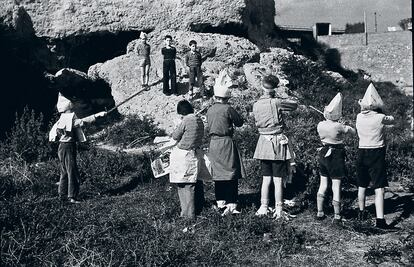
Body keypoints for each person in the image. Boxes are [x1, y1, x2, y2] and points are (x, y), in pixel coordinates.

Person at [252, 75, 298, 219]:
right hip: (276, 142)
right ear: (274, 88)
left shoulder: (256, 104)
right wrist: (280, 95)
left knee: (266, 178)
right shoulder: (277, 102)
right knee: (278, 179)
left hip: (263, 142)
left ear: (262, 87)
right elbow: (294, 105)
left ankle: (263, 206)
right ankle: (279, 208)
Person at [49, 93, 106, 203]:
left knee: (65, 171)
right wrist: (98, 115)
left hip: (62, 147)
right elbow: (82, 122)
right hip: (68, 147)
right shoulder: (67, 118)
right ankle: (72, 197)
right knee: (72, 171)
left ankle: (62, 194)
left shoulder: (62, 118)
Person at [356, 83, 395, 229]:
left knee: (362, 185)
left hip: (362, 151)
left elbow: (363, 111)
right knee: (379, 187)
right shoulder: (381, 117)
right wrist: (382, 109)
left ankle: (361, 213)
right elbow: (392, 120)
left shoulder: (358, 117)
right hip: (376, 153)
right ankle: (380, 220)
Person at [206, 69, 244, 216]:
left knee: (218, 174)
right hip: (226, 142)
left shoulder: (210, 110)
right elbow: (239, 122)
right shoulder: (228, 108)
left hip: (214, 143)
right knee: (231, 173)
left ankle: (220, 202)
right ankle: (232, 203)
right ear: (226, 97)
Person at [315, 93, 356, 223]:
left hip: (323, 152)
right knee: (336, 185)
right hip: (336, 155)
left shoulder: (320, 124)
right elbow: (353, 131)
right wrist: (344, 124)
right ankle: (337, 215)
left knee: (323, 183)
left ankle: (320, 212)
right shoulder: (339, 126)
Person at [169, 100, 207, 219]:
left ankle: (188, 214)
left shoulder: (185, 120)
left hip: (183, 155)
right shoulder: (199, 119)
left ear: (181, 113)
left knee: (183, 185)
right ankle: (190, 212)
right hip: (194, 153)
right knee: (191, 184)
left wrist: (177, 124)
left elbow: (175, 136)